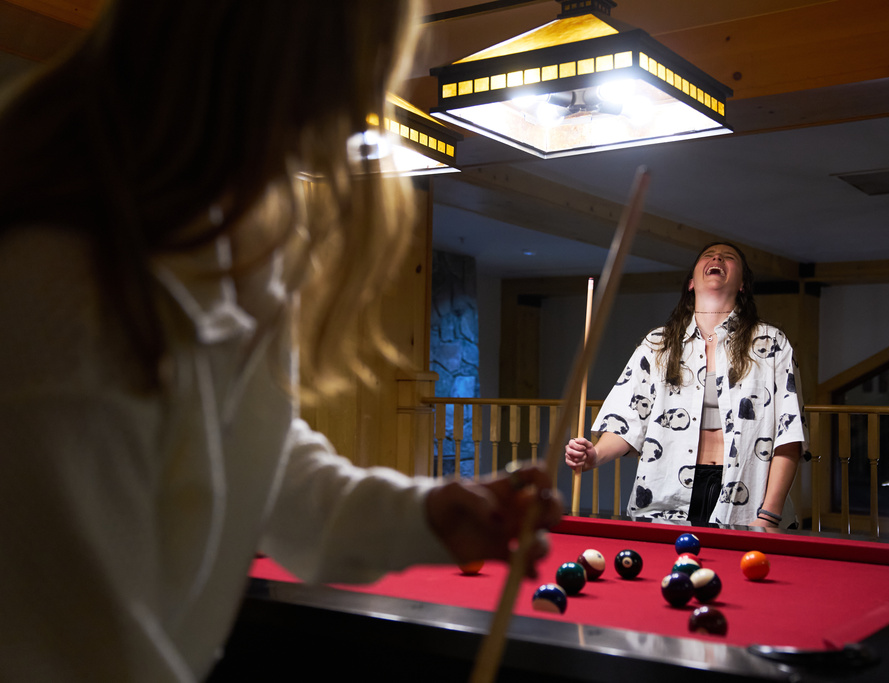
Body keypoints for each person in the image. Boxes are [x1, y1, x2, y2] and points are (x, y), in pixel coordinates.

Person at [0, 1, 560, 680]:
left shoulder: (226, 243)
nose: (353, 113)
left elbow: (257, 456)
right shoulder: (58, 291)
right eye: (358, 74)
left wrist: (421, 514)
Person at [565, 242, 807, 527]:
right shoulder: (658, 344)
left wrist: (769, 514)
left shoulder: (771, 343)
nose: (717, 258)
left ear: (742, 284)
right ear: (691, 282)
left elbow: (789, 435)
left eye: (728, 257)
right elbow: (627, 423)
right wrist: (594, 456)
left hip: (747, 496)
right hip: (667, 494)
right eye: (708, 256)